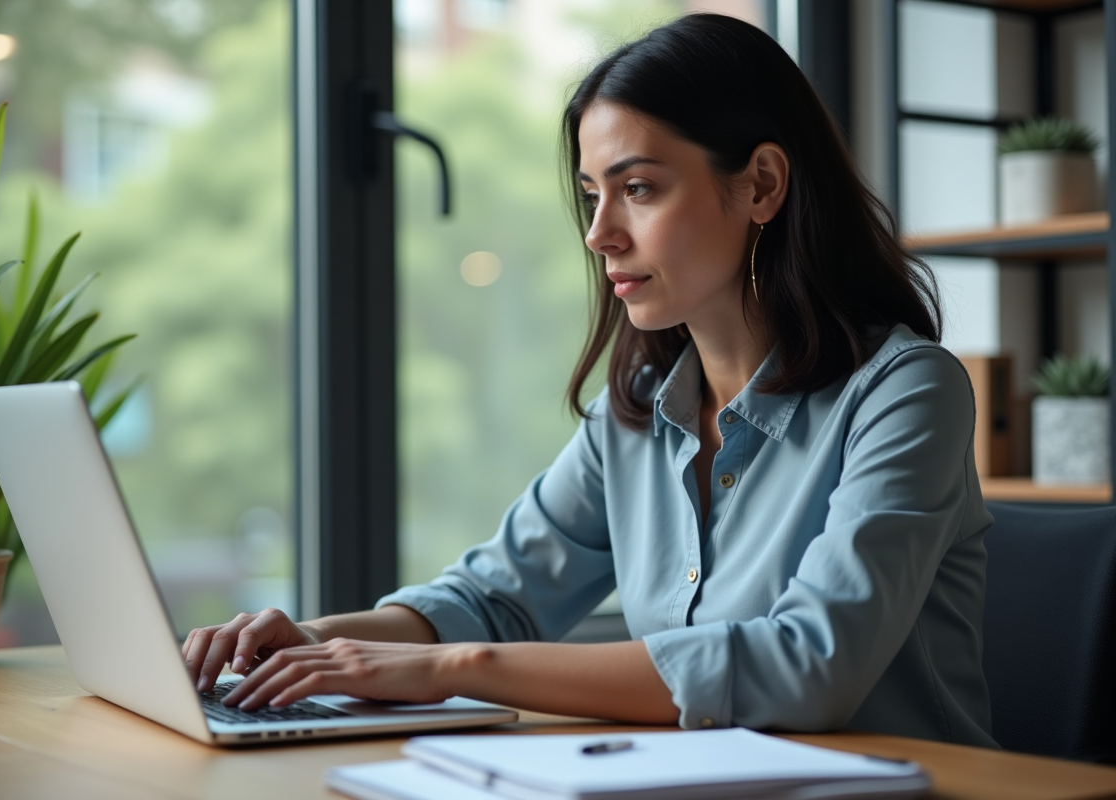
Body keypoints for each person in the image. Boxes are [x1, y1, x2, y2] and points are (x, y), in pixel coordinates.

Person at [183, 13, 995, 747]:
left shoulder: (906, 395)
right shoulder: (636, 414)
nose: (601, 234)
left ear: (763, 184)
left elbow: (809, 667)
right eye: (590, 194)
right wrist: (311, 640)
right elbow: (492, 596)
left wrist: (450, 669)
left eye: (638, 188)